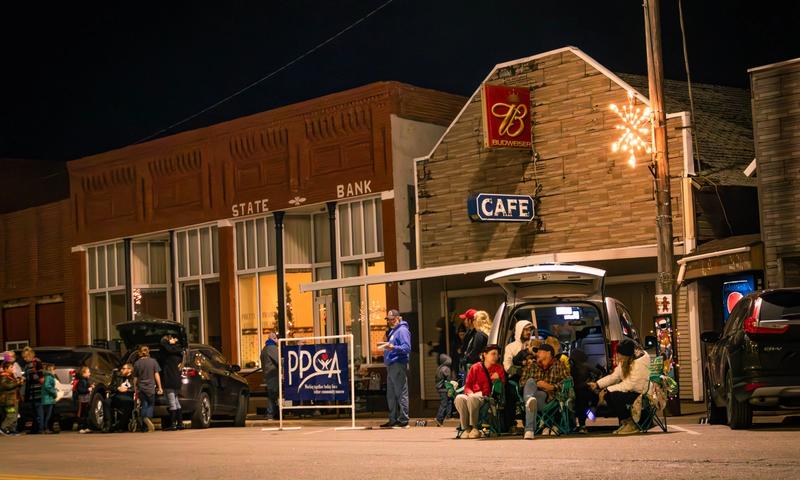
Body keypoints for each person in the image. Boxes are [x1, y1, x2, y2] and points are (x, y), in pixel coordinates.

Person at [588, 339, 651, 435]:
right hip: (631, 390)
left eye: (619, 354)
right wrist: (597, 384)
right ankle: (625, 422)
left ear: (626, 354)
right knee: (610, 395)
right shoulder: (627, 361)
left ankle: (630, 423)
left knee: (614, 395)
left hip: (640, 393)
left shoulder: (639, 363)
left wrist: (607, 389)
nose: (617, 356)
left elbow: (631, 385)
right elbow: (614, 376)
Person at [454, 344, 505, 439]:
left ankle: (474, 427)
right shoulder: (475, 367)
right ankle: (466, 428)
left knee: (473, 398)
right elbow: (468, 385)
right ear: (485, 355)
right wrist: (470, 393)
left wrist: (498, 380)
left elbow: (501, 388)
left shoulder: (499, 369)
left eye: (497, 355)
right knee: (459, 398)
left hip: (486, 397)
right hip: (473, 395)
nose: (495, 357)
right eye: (493, 354)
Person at [518, 343, 569, 440]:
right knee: (530, 382)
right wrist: (536, 383)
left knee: (531, 399)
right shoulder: (532, 366)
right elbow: (521, 382)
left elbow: (567, 382)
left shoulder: (559, 365)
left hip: (549, 399)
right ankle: (529, 400)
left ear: (548, 353)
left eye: (540, 352)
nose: (537, 354)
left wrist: (552, 387)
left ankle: (529, 429)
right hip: (534, 395)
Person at [380, 309, 411, 428]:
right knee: (391, 395)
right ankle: (393, 419)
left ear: (399, 318)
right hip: (391, 365)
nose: (391, 322)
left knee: (400, 393)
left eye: (393, 319)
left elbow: (407, 348)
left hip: (398, 364)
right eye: (389, 320)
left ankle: (403, 420)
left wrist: (393, 347)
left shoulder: (402, 330)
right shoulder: (394, 331)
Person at [570, 348, 600, 434]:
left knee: (580, 405)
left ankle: (582, 425)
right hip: (587, 390)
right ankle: (591, 412)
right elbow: (598, 372)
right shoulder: (586, 365)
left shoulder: (571, 367)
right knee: (586, 403)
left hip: (576, 391)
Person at [134, 345, 163, 432]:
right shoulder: (153, 362)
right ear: (148, 351)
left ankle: (144, 423)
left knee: (144, 404)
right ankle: (148, 418)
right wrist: (160, 387)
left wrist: (135, 388)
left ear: (139, 352)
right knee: (151, 404)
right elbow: (156, 375)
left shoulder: (137, 363)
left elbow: (135, 377)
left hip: (141, 387)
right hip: (151, 387)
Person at [159, 334, 184, 431]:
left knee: (172, 403)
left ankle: (173, 424)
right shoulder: (179, 353)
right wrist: (173, 342)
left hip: (169, 380)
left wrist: (167, 341)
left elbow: (163, 344)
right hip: (177, 380)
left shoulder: (168, 354)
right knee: (176, 402)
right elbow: (171, 347)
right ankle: (180, 423)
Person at [102, 363, 135, 433]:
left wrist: (127, 390)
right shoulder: (117, 377)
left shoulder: (134, 378)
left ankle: (120, 426)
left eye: (123, 369)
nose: (121, 370)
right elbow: (110, 387)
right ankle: (108, 425)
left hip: (128, 398)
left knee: (128, 404)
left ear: (129, 370)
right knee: (106, 402)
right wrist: (118, 388)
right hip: (116, 396)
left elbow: (137, 388)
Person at [21, 347, 43, 434]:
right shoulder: (27, 365)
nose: (24, 359)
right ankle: (35, 428)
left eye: (26, 357)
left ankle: (40, 428)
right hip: (31, 390)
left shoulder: (36, 362)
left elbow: (40, 376)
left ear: (30, 355)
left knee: (38, 409)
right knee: (33, 410)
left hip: (38, 389)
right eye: (24, 357)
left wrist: (32, 378)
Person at [260, 332, 279, 420]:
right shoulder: (272, 348)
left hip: (267, 374)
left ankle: (273, 413)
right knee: (273, 395)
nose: (277, 340)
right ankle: (270, 413)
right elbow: (278, 360)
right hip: (273, 374)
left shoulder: (264, 349)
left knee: (272, 394)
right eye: (276, 338)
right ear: (273, 338)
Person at [0, 360, 22, 436]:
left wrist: (19, 382)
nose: (12, 369)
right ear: (6, 368)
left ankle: (11, 430)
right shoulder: (4, 377)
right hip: (9, 400)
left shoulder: (10, 376)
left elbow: (14, 386)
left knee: (15, 416)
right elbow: (6, 386)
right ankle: (3, 428)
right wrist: (17, 382)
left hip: (14, 399)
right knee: (11, 415)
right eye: (11, 367)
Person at [434, 353, 452, 427]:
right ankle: (439, 418)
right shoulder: (446, 368)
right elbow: (448, 379)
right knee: (445, 403)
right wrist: (450, 387)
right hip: (444, 388)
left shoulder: (439, 368)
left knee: (447, 402)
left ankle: (446, 417)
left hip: (440, 388)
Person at [76, 366, 95, 433]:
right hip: (82, 400)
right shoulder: (81, 381)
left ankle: (86, 427)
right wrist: (88, 389)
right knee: (81, 414)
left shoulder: (85, 380)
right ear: (83, 373)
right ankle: (80, 427)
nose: (90, 373)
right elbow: (80, 390)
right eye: (88, 372)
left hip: (86, 400)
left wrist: (90, 386)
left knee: (86, 414)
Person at [40, 364, 58, 434]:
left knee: (50, 414)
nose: (55, 371)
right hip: (48, 399)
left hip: (49, 399)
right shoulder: (48, 377)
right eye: (54, 369)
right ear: (51, 370)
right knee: (49, 415)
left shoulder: (48, 376)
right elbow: (47, 386)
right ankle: (46, 428)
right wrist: (54, 392)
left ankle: (49, 428)